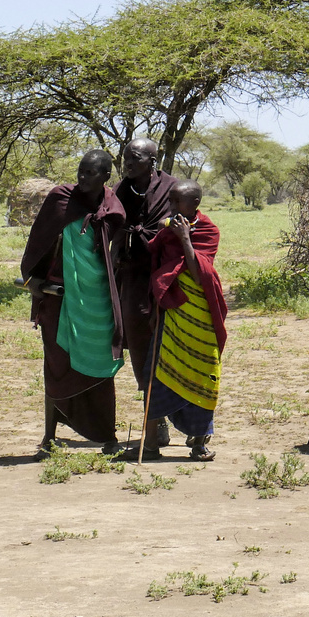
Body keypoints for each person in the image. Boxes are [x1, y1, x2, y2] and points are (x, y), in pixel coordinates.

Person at [21, 149, 128, 458]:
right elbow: (39, 242)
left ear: (106, 176)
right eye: (80, 171)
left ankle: (108, 436)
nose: (82, 177)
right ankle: (49, 437)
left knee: (101, 366)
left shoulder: (112, 207)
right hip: (59, 297)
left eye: (91, 173)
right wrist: (35, 279)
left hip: (97, 299)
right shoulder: (61, 199)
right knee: (56, 364)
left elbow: (115, 251)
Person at [142, 180, 226, 461]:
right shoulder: (167, 230)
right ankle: (150, 444)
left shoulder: (208, 230)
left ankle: (200, 443)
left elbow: (200, 270)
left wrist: (185, 238)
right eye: (172, 201)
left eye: (180, 202)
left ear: (195, 205)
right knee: (155, 373)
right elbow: (157, 263)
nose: (174, 207)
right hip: (171, 310)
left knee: (203, 372)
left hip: (199, 312)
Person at [113, 137, 178, 446]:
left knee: (169, 343)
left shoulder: (172, 188)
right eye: (125, 157)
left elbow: (180, 227)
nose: (127, 163)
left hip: (165, 275)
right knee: (138, 339)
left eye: (134, 158)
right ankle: (155, 418)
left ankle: (181, 414)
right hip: (132, 278)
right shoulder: (120, 191)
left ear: (152, 161)